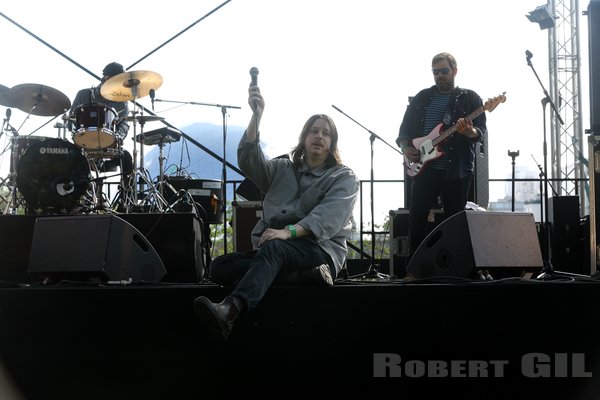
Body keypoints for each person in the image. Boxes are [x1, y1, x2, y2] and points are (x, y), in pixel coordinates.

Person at [193, 83, 359, 342]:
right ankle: (303, 277)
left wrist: (286, 232)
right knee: (219, 266)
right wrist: (256, 115)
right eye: (314, 131)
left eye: (326, 133)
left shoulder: (343, 176)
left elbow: (326, 220)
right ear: (304, 138)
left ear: (332, 142)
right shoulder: (281, 168)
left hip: (319, 248)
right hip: (277, 250)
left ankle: (230, 311)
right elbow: (248, 159)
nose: (319, 136)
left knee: (274, 250)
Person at [396, 52, 487, 262]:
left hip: (456, 170)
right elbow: (404, 130)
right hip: (424, 169)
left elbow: (479, 132)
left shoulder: (470, 98)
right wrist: (405, 147)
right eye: (435, 72)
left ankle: (454, 267)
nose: (439, 76)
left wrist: (468, 132)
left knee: (454, 222)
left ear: (454, 71)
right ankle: (415, 268)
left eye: (444, 71)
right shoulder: (422, 97)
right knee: (416, 218)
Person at [69, 62, 133, 201]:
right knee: (68, 158)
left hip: (109, 148)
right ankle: (77, 198)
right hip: (83, 147)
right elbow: (70, 121)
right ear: (105, 78)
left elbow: (125, 124)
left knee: (127, 158)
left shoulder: (122, 101)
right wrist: (78, 135)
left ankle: (125, 200)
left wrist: (118, 138)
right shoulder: (84, 94)